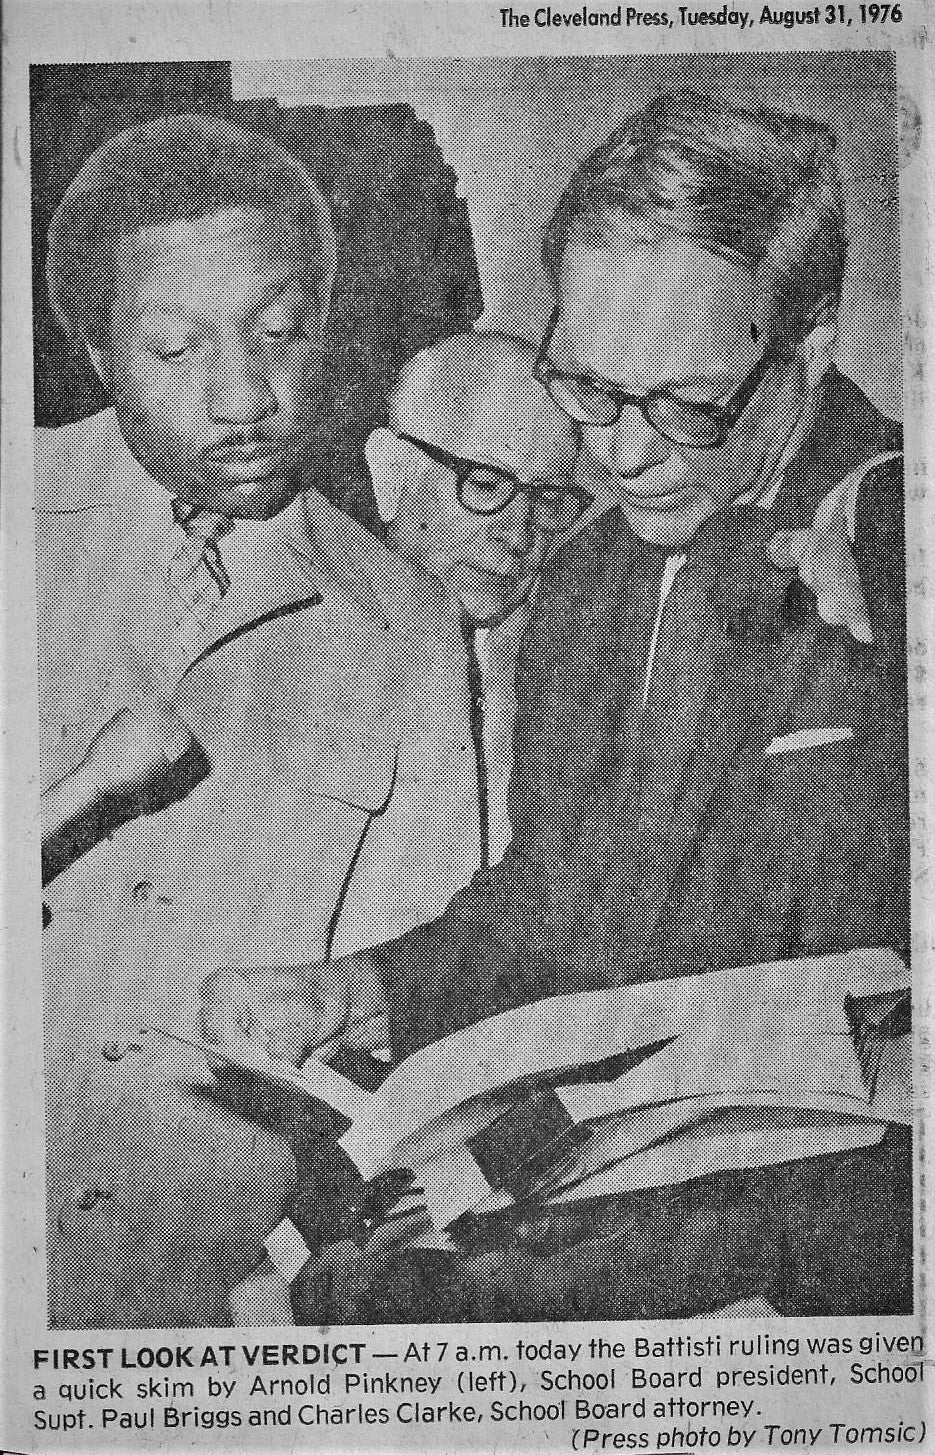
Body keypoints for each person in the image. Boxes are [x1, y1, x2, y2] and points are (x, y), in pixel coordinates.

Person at [206, 91, 911, 1322]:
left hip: (821, 1260)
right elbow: (550, 902)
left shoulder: (886, 530)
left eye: (687, 404)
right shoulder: (586, 578)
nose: (623, 454)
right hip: (594, 1177)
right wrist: (358, 989)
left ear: (804, 345)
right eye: (587, 387)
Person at [40, 130, 583, 1329]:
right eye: (176, 348)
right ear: (93, 348)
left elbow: (399, 1019)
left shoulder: (403, 627)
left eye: (283, 335)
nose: (243, 400)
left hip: (184, 1288)